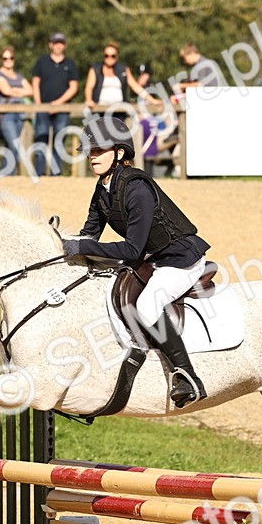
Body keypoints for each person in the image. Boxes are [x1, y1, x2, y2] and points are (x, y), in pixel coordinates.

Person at [60, 116, 211, 408]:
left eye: (98, 150)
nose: (92, 156)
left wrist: (82, 245)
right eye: (90, 151)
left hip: (179, 259)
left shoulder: (136, 187)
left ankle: (186, 376)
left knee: (147, 304)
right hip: (152, 260)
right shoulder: (103, 189)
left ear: (119, 153)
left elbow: (131, 250)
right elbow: (88, 233)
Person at [31, 32, 79, 176]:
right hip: (43, 108)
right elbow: (35, 82)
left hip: (62, 110)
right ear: (50, 44)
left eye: (61, 43)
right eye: (56, 42)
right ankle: (38, 173)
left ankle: (56, 174)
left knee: (59, 143)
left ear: (65, 45)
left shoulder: (70, 64)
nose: (59, 45)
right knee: (41, 141)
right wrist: (40, 105)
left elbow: (74, 87)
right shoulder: (42, 62)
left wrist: (58, 103)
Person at [0, 46, 33, 167]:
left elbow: (31, 91)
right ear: (1, 59)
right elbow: (6, 91)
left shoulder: (19, 76)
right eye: (5, 58)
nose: (8, 60)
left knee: (12, 147)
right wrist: (20, 91)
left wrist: (14, 90)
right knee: (14, 145)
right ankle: (7, 173)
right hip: (6, 115)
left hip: (20, 114)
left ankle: (9, 174)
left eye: (11, 57)